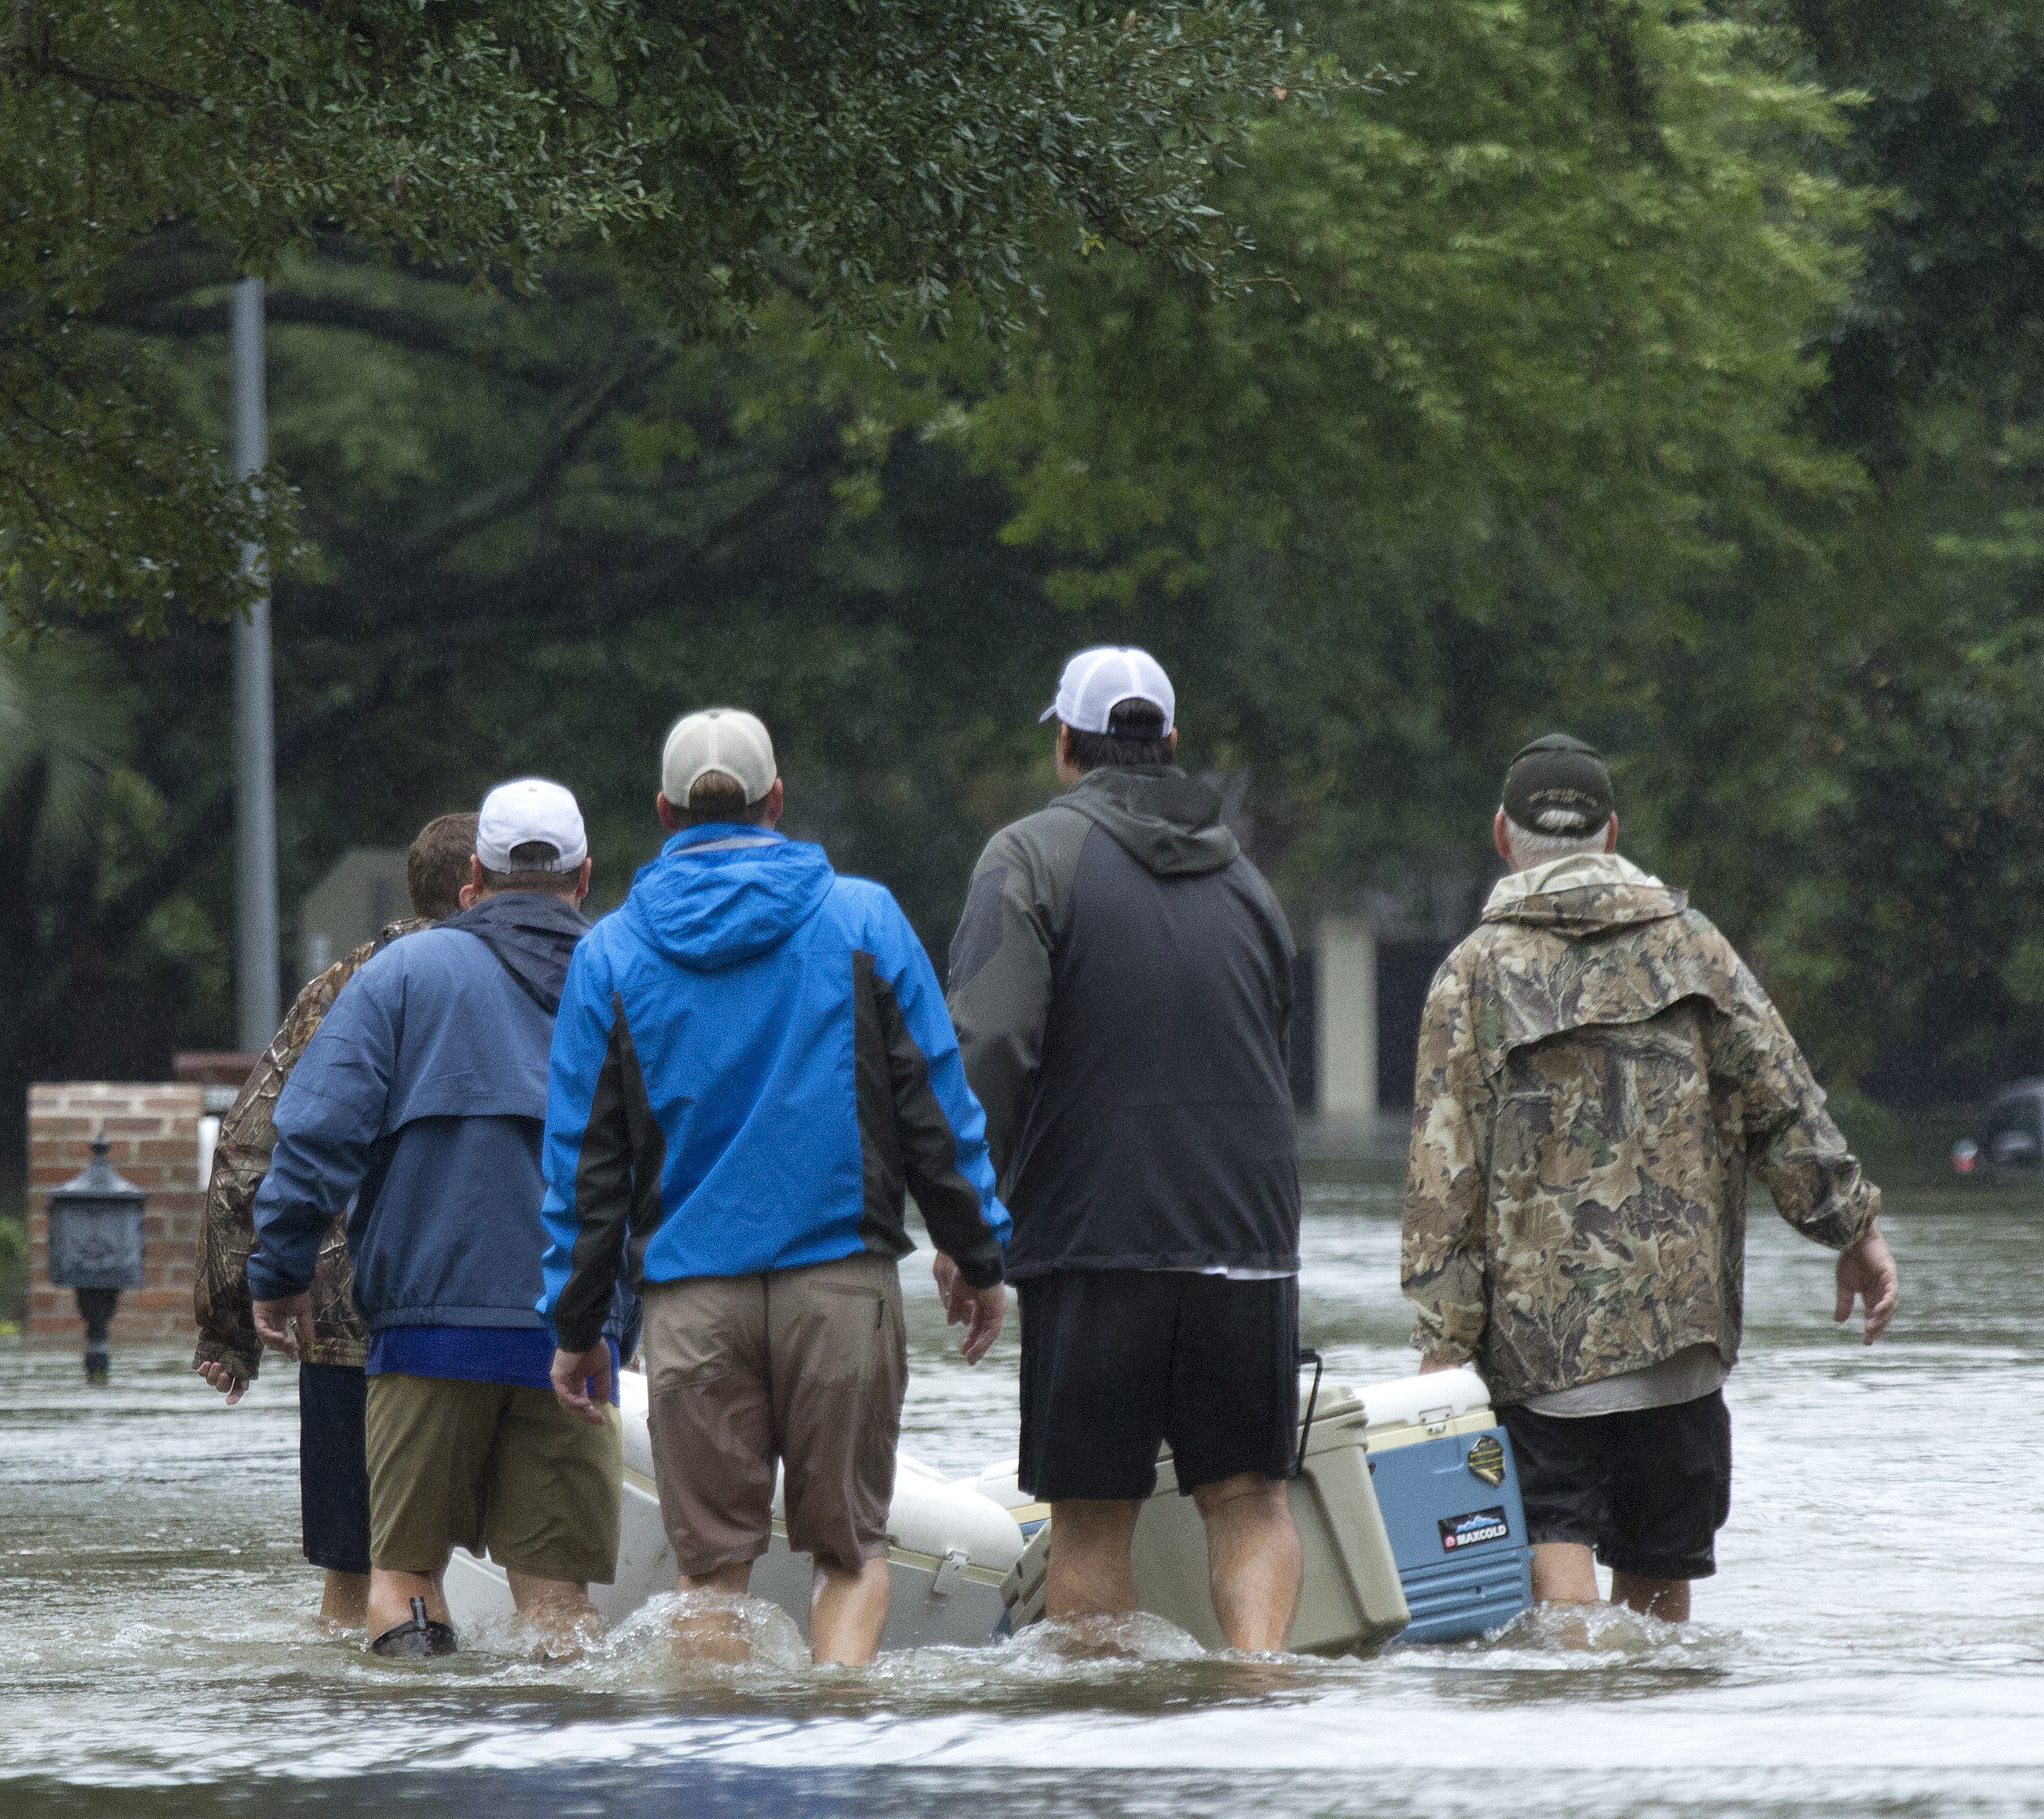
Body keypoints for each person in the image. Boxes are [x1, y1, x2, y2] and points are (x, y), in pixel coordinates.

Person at [542, 709, 1013, 1667]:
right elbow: (935, 1107)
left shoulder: (609, 956)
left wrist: (577, 1325)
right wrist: (978, 1253)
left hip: (690, 1302)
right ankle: (838, 1745)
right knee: (850, 1555)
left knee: (709, 1574)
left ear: (664, 811)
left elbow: (586, 1167)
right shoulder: (864, 920)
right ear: (778, 802)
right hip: (839, 1287)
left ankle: (719, 1780)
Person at [1404, 733, 1899, 1625]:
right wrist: (1853, 1230)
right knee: (1659, 1600)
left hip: (1542, 1354)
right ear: (1613, 831)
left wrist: (1443, 1344)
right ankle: (1652, 1759)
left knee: (1556, 1564)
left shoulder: (1472, 975)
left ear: (1502, 836)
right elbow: (1780, 1096)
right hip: (1681, 1344)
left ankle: (1577, 1725)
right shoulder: (1693, 947)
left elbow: (1445, 1178)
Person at [946, 646, 1306, 1651]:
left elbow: (991, 1044)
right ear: (1173, 745)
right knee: (1252, 1503)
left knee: (1093, 1515)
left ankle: (1104, 1724)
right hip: (1248, 1241)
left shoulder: (1027, 859)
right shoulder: (1249, 882)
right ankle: (1261, 1687)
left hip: (1096, 1242)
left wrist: (966, 1224)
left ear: (1066, 745)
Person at [249, 779, 627, 1659]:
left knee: (405, 1573)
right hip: (573, 1334)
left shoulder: (402, 976)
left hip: (425, 1335)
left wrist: (280, 1270)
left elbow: (312, 1132)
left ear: (476, 875)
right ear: (583, 876)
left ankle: (425, 1745)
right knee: (559, 1595)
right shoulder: (626, 975)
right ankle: (557, 1772)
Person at [194, 813, 480, 1629]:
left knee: (351, 1573)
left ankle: (351, 1725)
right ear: (476, 888)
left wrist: (228, 1330)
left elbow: (246, 1151)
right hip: (473, 1305)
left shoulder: (341, 986)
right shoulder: (514, 981)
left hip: (338, 1319)